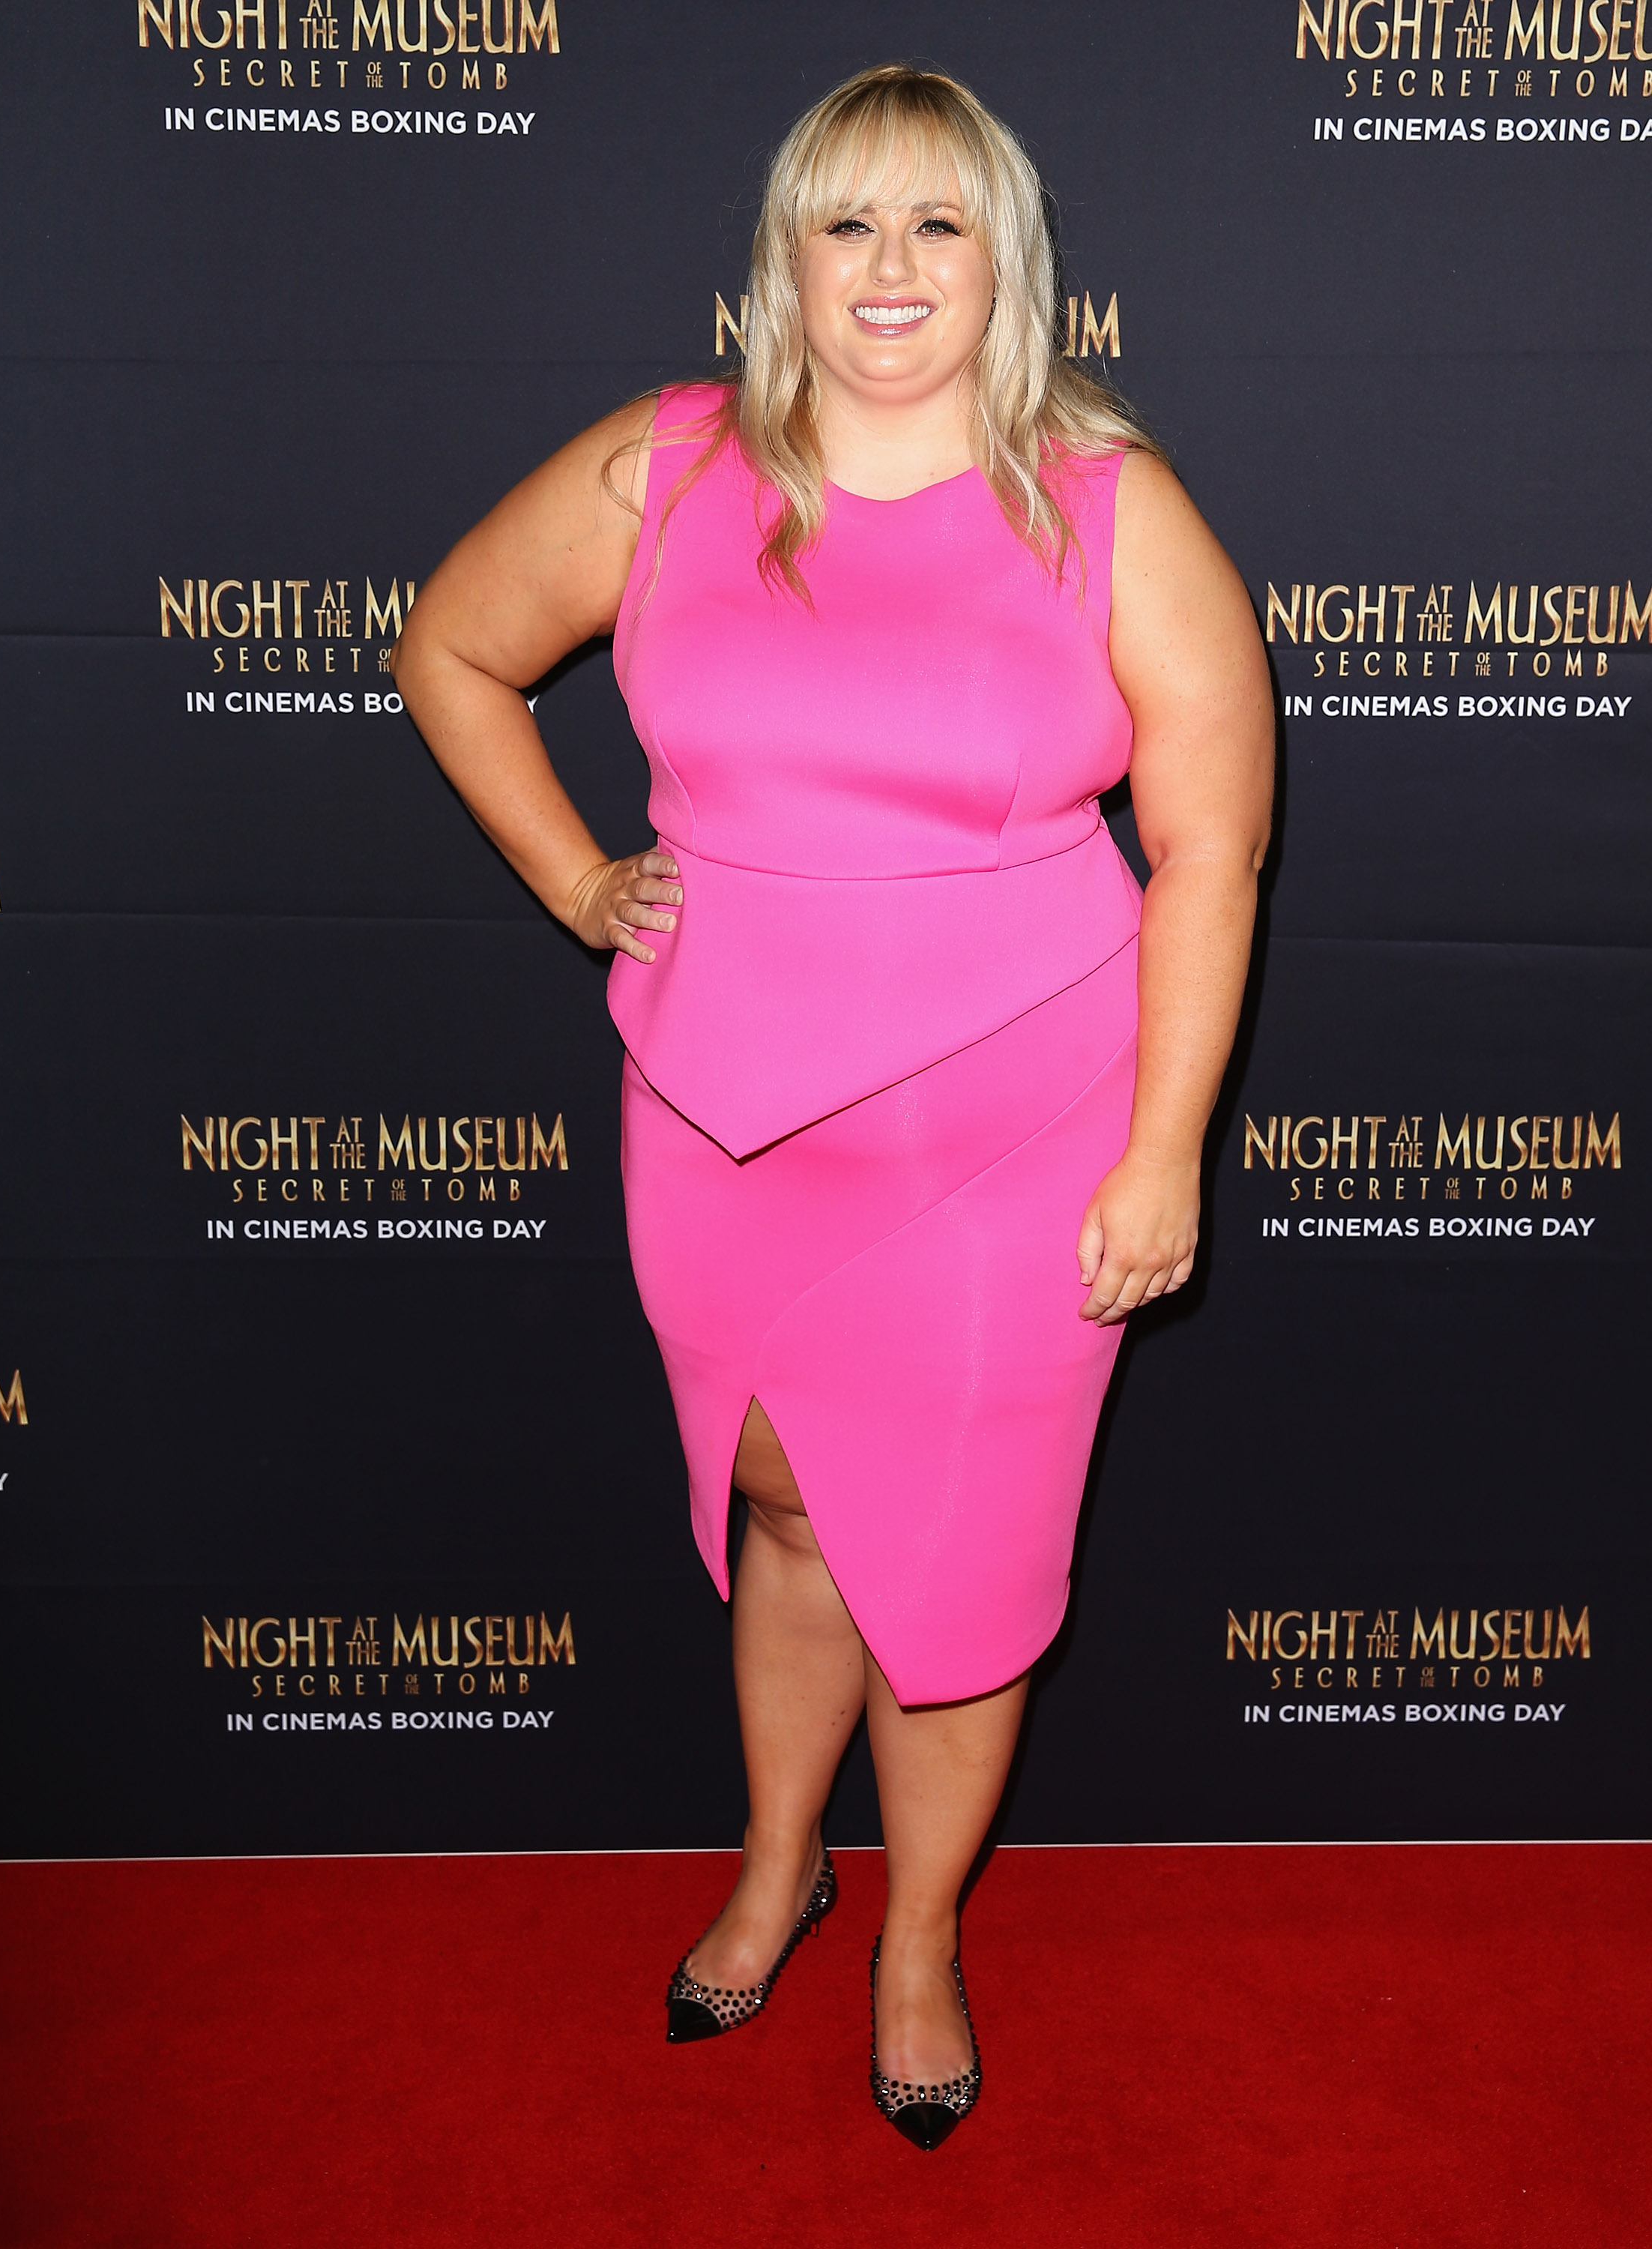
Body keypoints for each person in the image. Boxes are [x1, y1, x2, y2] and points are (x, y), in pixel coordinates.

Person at [392, 62, 1272, 2149]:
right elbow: (449, 649)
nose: (891, 265)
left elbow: (1211, 849)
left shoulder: (1109, 504)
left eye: (937, 221)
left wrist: (1166, 1149)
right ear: (783, 258)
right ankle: (782, 1863)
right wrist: (580, 883)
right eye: (846, 219)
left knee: (952, 1569)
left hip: (1016, 1143)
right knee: (784, 1507)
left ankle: (919, 1938)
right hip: (717, 1122)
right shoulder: (668, 466)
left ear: (1006, 260)